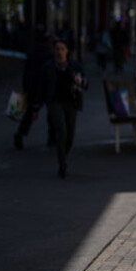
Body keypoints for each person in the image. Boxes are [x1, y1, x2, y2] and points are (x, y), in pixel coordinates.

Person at [34, 39, 88, 179]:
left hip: (71, 102)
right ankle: (62, 165)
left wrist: (82, 82)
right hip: (54, 102)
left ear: (67, 51)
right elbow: (41, 88)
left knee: (70, 135)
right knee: (61, 131)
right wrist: (36, 107)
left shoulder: (74, 66)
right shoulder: (48, 67)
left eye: (62, 49)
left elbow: (85, 82)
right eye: (57, 49)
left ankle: (63, 154)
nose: (59, 52)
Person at [14, 31, 54, 151]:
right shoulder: (49, 53)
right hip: (44, 86)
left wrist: (25, 86)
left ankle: (21, 132)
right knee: (51, 111)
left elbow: (26, 71)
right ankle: (52, 137)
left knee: (30, 112)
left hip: (31, 85)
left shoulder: (32, 52)